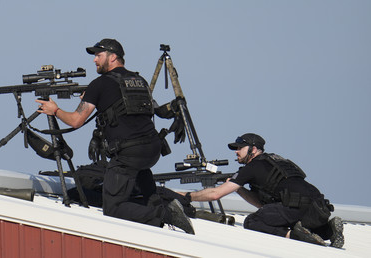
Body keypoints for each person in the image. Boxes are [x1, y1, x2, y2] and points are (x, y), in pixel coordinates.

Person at [36, 38, 194, 234]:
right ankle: (159, 213)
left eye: (98, 55)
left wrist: (55, 110)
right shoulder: (139, 80)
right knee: (146, 194)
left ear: (112, 57)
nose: (94, 60)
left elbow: (76, 120)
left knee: (113, 208)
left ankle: (165, 214)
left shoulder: (99, 84)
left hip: (128, 153)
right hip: (152, 149)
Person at [179, 133, 344, 247]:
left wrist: (187, 196)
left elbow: (216, 194)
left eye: (240, 148)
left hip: (294, 205)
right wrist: (239, 189)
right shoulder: (276, 161)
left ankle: (296, 236)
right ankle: (328, 230)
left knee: (252, 221)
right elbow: (262, 205)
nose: (236, 152)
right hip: (318, 206)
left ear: (253, 149)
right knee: (297, 223)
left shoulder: (252, 167)